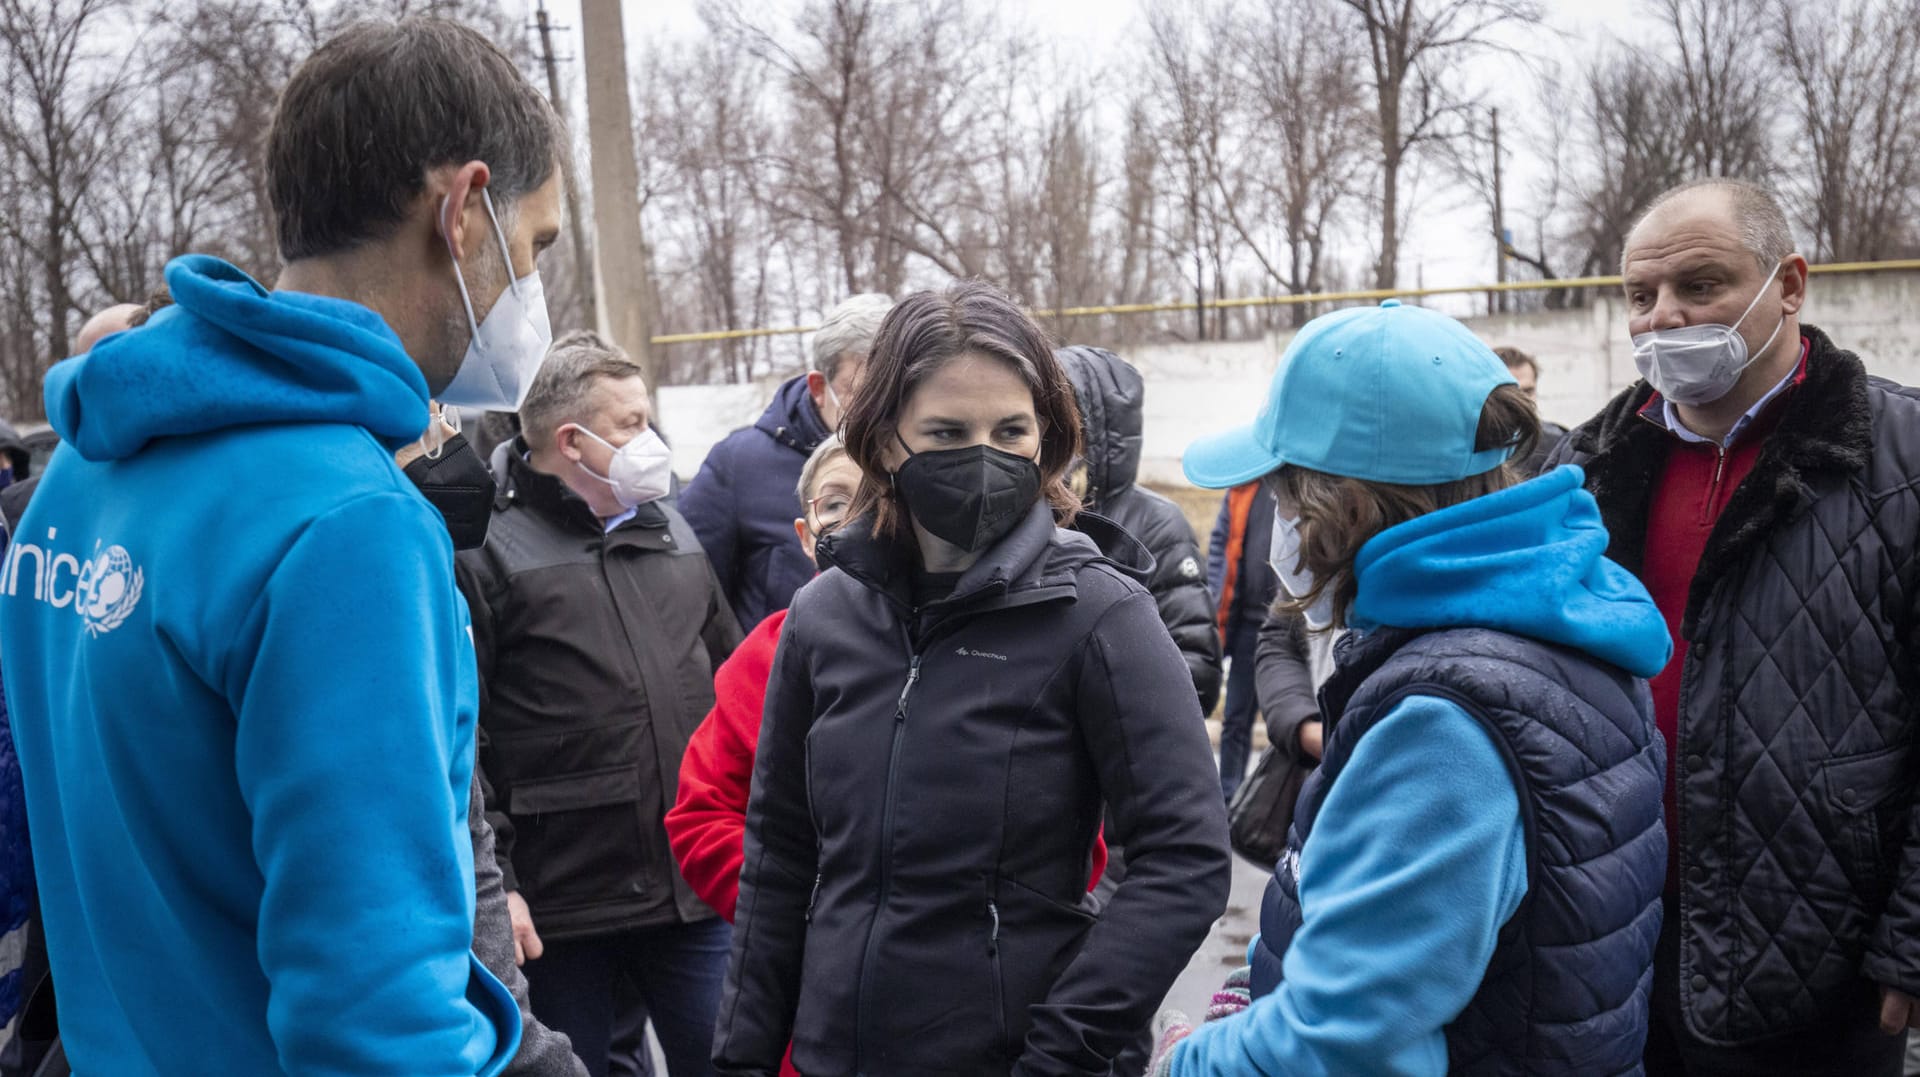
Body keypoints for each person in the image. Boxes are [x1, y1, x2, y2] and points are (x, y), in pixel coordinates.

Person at [0, 17, 566, 1074]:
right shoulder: (343, 523)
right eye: (532, 247)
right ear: (463, 210)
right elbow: (377, 1020)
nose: (531, 293)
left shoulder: (80, 473)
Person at [713, 281, 1231, 1076]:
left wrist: (1061, 1052)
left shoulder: (1102, 613)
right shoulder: (821, 619)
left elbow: (1185, 857)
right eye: (948, 431)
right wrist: (743, 1056)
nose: (984, 454)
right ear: (885, 440)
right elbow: (779, 854)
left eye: (1011, 429)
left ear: (1046, 438)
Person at [1163, 298, 1670, 1075]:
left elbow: (1339, 1043)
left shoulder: (1443, 723)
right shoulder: (1553, 612)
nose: (1284, 528)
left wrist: (1186, 1064)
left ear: (1349, 504)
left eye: (1287, 498)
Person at [1548, 177, 1920, 1076]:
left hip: (1816, 955)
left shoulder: (1901, 459)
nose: (1663, 318)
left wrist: (1911, 938)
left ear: (1788, 283)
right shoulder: (1585, 468)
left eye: (1700, 286)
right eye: (1641, 296)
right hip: (1617, 934)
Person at [458, 330, 743, 1077]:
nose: (649, 440)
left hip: (692, 889)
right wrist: (505, 892)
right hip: (564, 908)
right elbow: (464, 737)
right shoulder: (483, 548)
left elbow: (735, 690)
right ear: (572, 441)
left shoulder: (673, 528)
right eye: (629, 425)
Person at [400, 407, 589, 1077]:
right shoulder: (366, 551)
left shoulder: (428, 573)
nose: (448, 443)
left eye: (448, 417)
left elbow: (461, 796)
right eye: (431, 419)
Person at [680, 294, 892, 630]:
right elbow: (692, 596)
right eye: (865, 392)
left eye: (894, 391)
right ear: (819, 387)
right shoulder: (740, 465)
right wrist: (748, 670)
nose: (882, 409)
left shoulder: (913, 457)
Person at [1057, 346, 1221, 712]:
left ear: (1092, 430)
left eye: (1059, 422)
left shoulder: (1157, 524)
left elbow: (1200, 673)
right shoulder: (1025, 516)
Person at [1206, 482, 1278, 798]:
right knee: (1236, 718)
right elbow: (1220, 548)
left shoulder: (1299, 484)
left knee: (1284, 724)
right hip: (1247, 624)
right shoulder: (1242, 489)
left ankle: (1273, 804)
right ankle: (1228, 797)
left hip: (1287, 627)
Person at [1493, 345, 1566, 473]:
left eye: (1528, 391)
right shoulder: (1470, 450)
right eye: (1512, 392)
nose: (1523, 401)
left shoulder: (1559, 443)